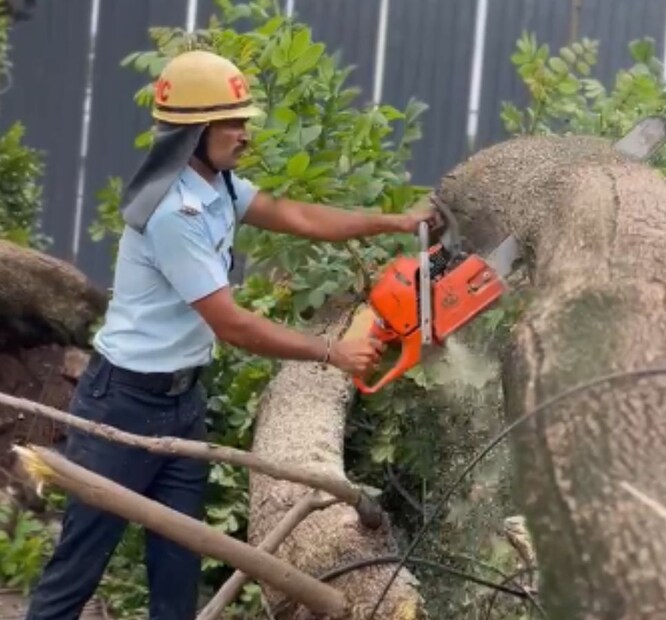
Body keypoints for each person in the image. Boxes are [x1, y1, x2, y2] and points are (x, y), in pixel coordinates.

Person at [26, 49, 436, 619]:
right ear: (194, 131)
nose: (244, 134)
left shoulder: (217, 186)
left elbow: (297, 216)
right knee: (77, 569)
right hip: (121, 408)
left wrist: (393, 221)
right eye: (231, 122)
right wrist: (331, 351)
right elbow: (233, 323)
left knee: (178, 571)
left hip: (182, 401)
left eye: (244, 120)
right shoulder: (175, 212)